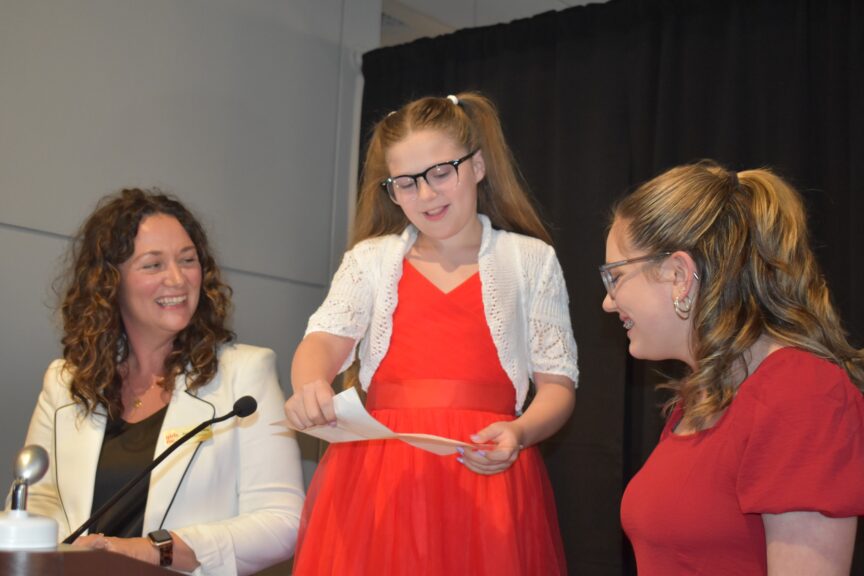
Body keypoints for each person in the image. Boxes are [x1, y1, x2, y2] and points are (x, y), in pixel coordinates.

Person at [283, 92, 578, 575]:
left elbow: (558, 386)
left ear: (477, 166)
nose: (426, 195)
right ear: (391, 191)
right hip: (378, 481)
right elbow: (324, 340)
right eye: (406, 182)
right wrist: (310, 383)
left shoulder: (530, 261)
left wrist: (520, 432)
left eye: (441, 173)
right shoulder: (370, 261)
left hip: (487, 473)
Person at [23, 189, 305, 576]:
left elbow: (282, 522)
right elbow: (34, 502)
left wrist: (151, 551)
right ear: (110, 283)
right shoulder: (65, 381)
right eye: (153, 265)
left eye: (188, 261)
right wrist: (66, 555)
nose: (177, 279)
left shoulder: (245, 374)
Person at [601, 160, 864, 575]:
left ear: (678, 275)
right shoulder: (703, 396)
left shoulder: (802, 393)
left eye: (615, 276)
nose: (608, 301)